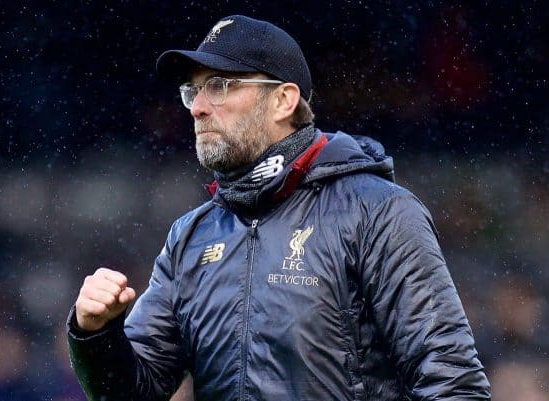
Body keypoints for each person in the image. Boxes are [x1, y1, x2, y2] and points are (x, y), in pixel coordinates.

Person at [67, 15, 491, 400]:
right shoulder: (191, 237)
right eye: (193, 90)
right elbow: (133, 395)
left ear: (284, 100)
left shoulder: (378, 211)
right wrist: (95, 334)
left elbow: (453, 384)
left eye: (220, 85)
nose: (197, 106)